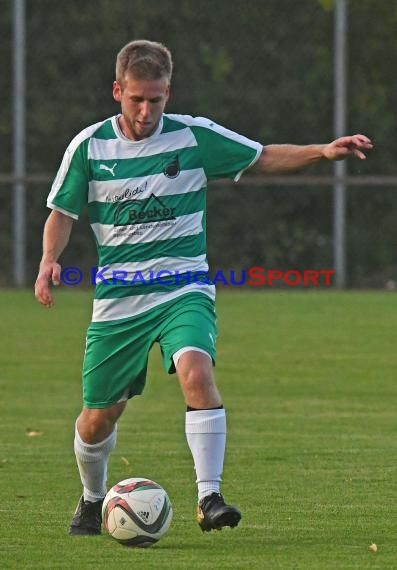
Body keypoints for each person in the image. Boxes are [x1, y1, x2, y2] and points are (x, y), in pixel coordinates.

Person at [34, 39, 373, 536]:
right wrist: (48, 261)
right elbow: (62, 213)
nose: (146, 110)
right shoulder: (89, 146)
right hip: (119, 300)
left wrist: (321, 151)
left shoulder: (192, 137)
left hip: (184, 286)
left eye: (156, 99)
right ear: (116, 91)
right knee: (98, 419)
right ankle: (91, 497)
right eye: (136, 99)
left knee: (196, 371)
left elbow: (262, 156)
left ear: (168, 92)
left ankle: (209, 497)